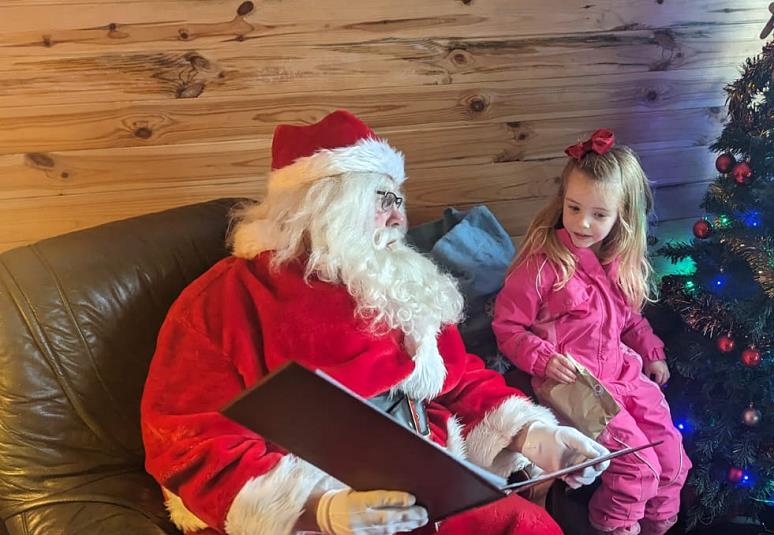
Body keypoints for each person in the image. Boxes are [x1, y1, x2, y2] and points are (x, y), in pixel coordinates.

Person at [140, 110, 611, 535]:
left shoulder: (403, 281)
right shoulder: (225, 301)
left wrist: (537, 436)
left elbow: (457, 380)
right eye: (379, 197)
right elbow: (190, 438)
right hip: (312, 507)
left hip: (429, 488)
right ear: (322, 204)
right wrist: (318, 510)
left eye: (398, 197)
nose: (398, 214)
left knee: (527, 526)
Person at [491, 129, 691, 535]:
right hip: (574, 384)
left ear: (622, 216)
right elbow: (507, 327)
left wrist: (651, 351)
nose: (583, 222)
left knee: (671, 460)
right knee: (637, 467)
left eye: (599, 214)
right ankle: (613, 529)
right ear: (562, 201)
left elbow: (630, 319)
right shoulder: (543, 265)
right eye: (574, 207)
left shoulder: (618, 261)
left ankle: (658, 527)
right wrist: (543, 357)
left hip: (622, 374)